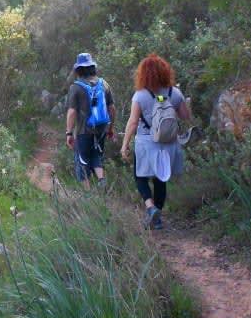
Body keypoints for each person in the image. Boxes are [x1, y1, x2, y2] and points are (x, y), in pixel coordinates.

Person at [120, 53, 191, 229]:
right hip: (168, 143)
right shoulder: (175, 93)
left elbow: (133, 122)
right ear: (165, 72)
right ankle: (157, 219)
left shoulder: (140, 95)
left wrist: (125, 144)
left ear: (143, 73)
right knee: (161, 180)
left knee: (140, 178)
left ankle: (151, 208)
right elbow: (185, 116)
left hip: (145, 143)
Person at [65, 53, 116, 190]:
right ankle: (101, 179)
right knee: (96, 156)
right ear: (92, 67)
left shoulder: (75, 87)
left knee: (82, 161)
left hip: (83, 131)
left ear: (78, 69)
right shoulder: (103, 84)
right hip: (101, 129)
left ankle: (88, 195)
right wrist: (110, 128)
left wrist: (69, 133)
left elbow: (72, 112)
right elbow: (112, 108)